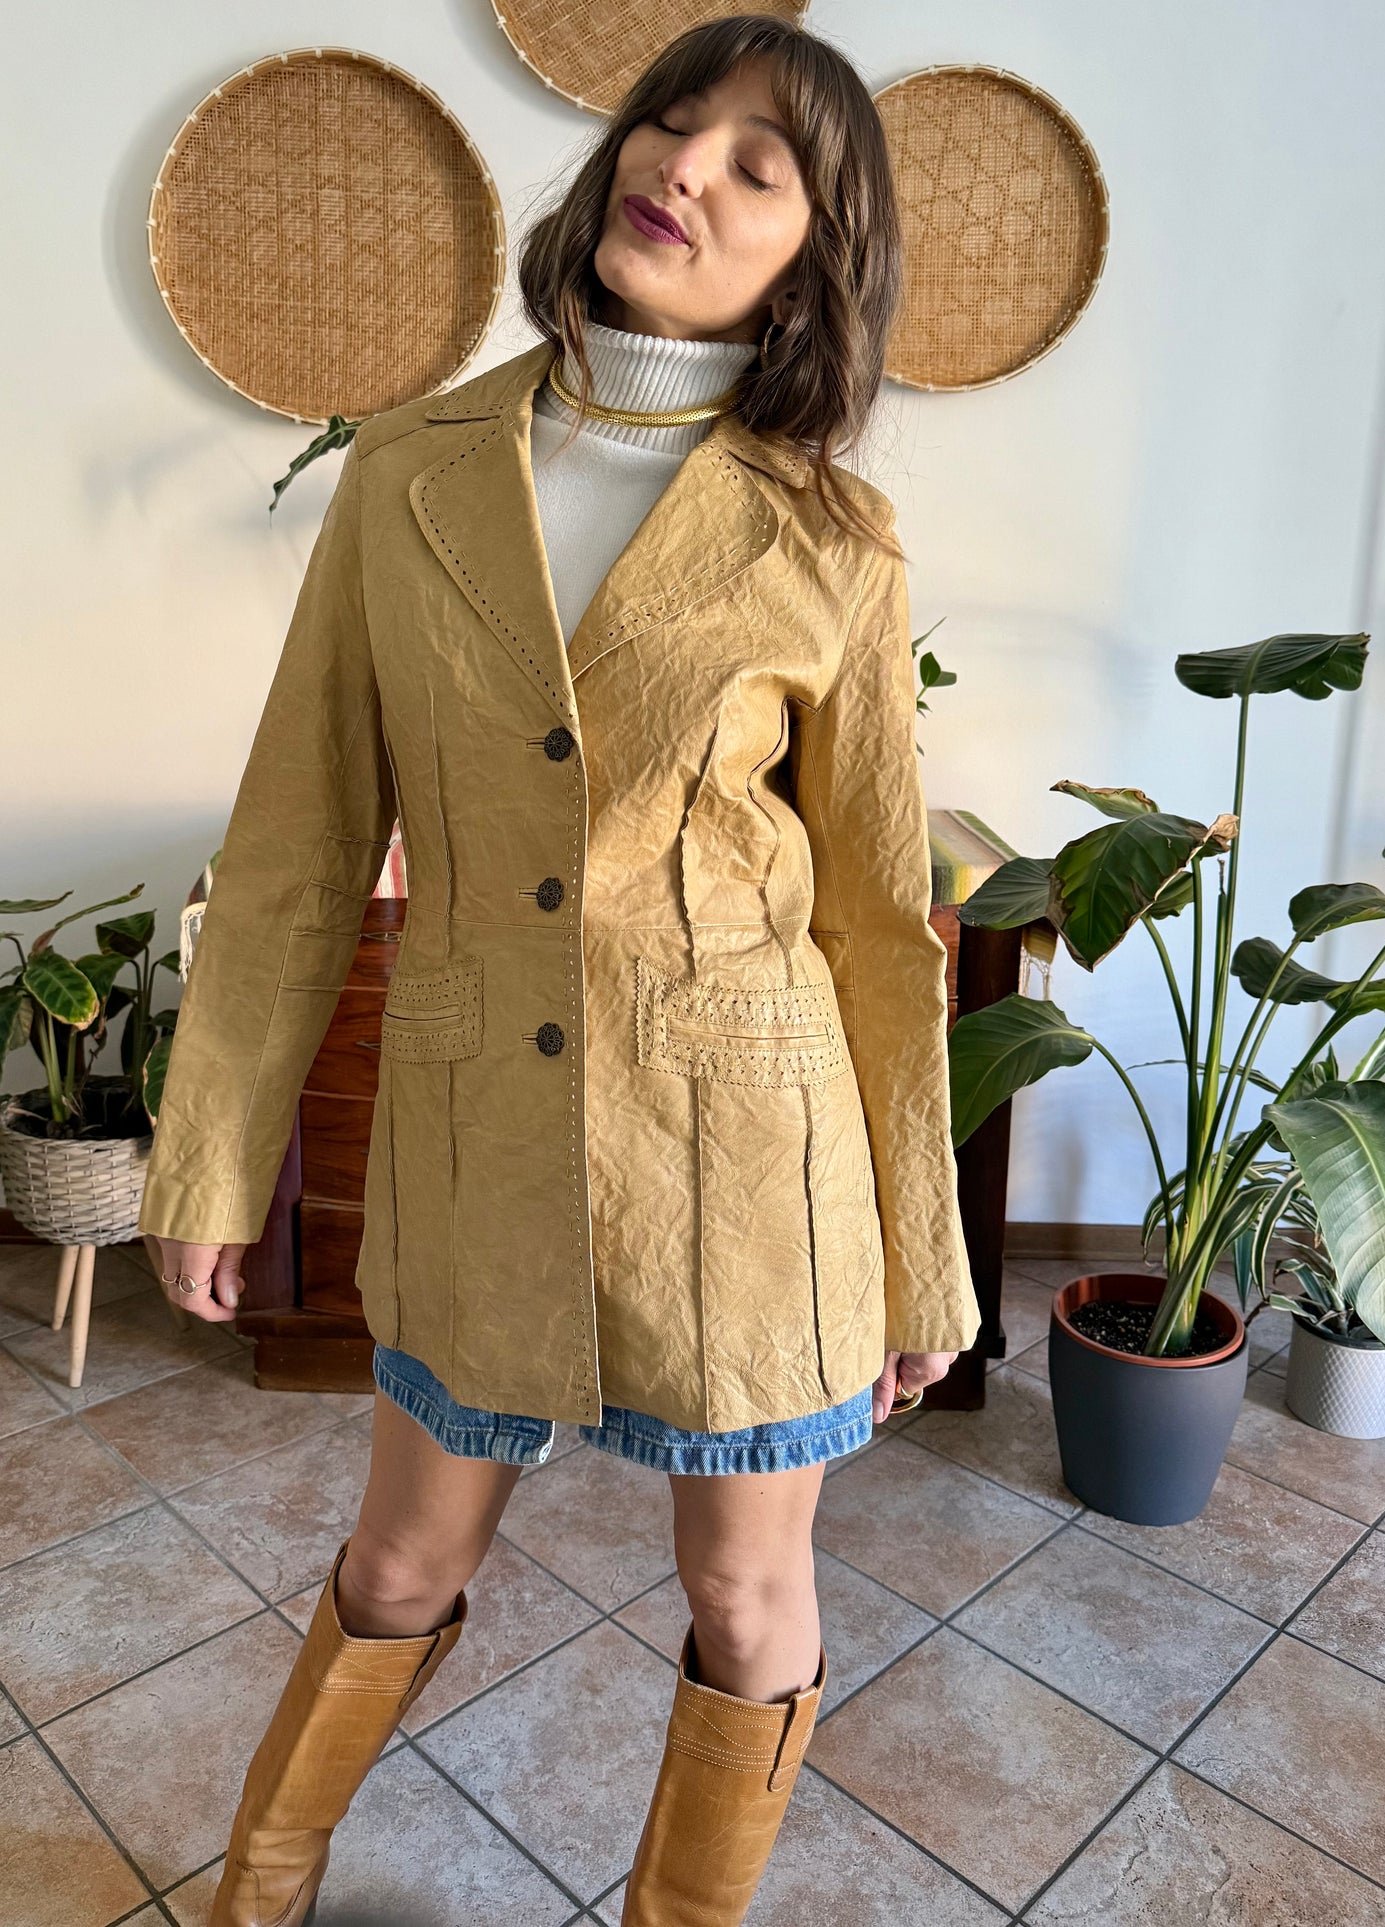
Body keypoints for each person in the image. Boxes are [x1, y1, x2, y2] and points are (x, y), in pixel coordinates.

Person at [139, 14, 981, 1925]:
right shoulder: (407, 474)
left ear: (810, 256)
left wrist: (923, 1243)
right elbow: (291, 846)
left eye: (754, 167)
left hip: (750, 1154)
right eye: (670, 126)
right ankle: (254, 1894)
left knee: (745, 1593)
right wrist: (213, 1153)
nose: (682, 165)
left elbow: (870, 916)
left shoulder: (830, 539)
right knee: (396, 1570)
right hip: (473, 1129)